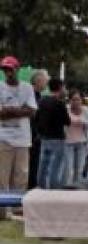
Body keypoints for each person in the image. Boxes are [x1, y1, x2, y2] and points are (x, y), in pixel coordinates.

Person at [0, 56, 38, 192]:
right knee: (2, 176)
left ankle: (17, 208)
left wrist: (9, 109)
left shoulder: (27, 88)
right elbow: (1, 114)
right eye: (5, 70)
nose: (8, 72)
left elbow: (32, 111)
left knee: (21, 176)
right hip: (4, 138)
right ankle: (3, 210)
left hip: (22, 139)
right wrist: (22, 109)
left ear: (17, 69)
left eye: (10, 69)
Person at [34, 78, 70, 190]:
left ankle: (41, 188)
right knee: (55, 168)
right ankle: (53, 192)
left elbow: (36, 118)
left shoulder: (42, 101)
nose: (65, 89)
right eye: (64, 87)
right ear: (60, 87)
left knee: (43, 166)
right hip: (57, 138)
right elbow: (67, 121)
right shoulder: (59, 103)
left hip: (44, 138)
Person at [64, 89, 88, 185]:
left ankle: (77, 188)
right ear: (69, 100)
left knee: (79, 169)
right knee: (68, 169)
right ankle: (67, 188)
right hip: (68, 143)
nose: (76, 102)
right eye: (73, 99)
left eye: (78, 99)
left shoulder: (85, 110)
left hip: (82, 143)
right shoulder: (66, 109)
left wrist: (82, 121)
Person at [27, 69, 48, 189]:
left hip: (36, 137)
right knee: (31, 166)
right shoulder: (30, 95)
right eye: (45, 80)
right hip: (31, 137)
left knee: (35, 166)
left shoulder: (39, 96)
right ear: (38, 80)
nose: (47, 83)